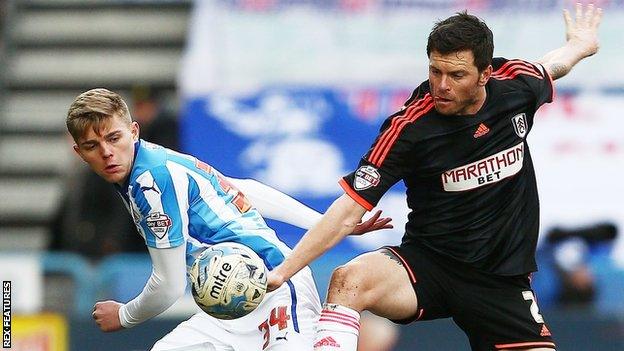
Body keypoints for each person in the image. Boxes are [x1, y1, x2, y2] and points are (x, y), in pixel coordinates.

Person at [267, 3, 602, 351]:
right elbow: (348, 209)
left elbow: (550, 66)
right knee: (349, 279)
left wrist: (580, 46)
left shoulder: (516, 88)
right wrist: (282, 271)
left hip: (500, 282)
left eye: (456, 75)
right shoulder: (410, 129)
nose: (442, 85)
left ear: (485, 73)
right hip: (429, 266)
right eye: (435, 71)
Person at [65, 88, 391, 351]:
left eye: (114, 138)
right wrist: (323, 221)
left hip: (273, 286)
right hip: (228, 307)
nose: (107, 152)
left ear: (133, 131)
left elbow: (169, 285)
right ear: (80, 152)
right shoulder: (156, 161)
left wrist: (123, 315)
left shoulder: (151, 181)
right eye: (93, 145)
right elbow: (245, 191)